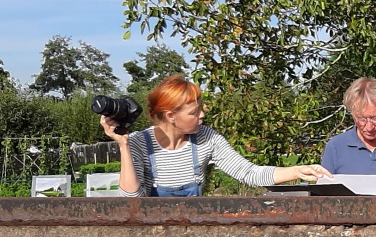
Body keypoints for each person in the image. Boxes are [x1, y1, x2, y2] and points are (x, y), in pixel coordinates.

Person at [99, 75, 331, 197]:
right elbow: (131, 199)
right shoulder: (139, 143)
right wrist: (123, 146)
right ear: (171, 116)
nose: (203, 114)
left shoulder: (206, 138)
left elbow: (249, 173)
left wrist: (297, 171)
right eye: (194, 111)